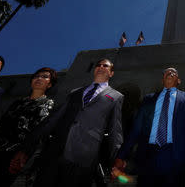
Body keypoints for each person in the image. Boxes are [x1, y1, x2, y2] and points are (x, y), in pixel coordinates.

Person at [10, 58, 123, 187]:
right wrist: (26, 148)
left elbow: (115, 129)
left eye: (105, 66)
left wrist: (116, 159)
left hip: (84, 158)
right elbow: (51, 120)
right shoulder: (76, 92)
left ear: (111, 73)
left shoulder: (116, 96)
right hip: (55, 152)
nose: (101, 67)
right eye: (98, 65)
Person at [111, 67, 185, 187]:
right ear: (162, 80)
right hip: (148, 156)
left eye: (174, 72)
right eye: (167, 72)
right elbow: (136, 129)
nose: (170, 73)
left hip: (175, 157)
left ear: (179, 80)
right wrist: (121, 156)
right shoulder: (148, 99)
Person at [0, 67, 58, 186]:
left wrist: (23, 152)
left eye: (45, 76)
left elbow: (37, 131)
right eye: (36, 76)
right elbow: (1, 122)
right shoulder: (18, 102)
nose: (39, 78)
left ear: (50, 84)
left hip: (13, 154)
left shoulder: (47, 103)